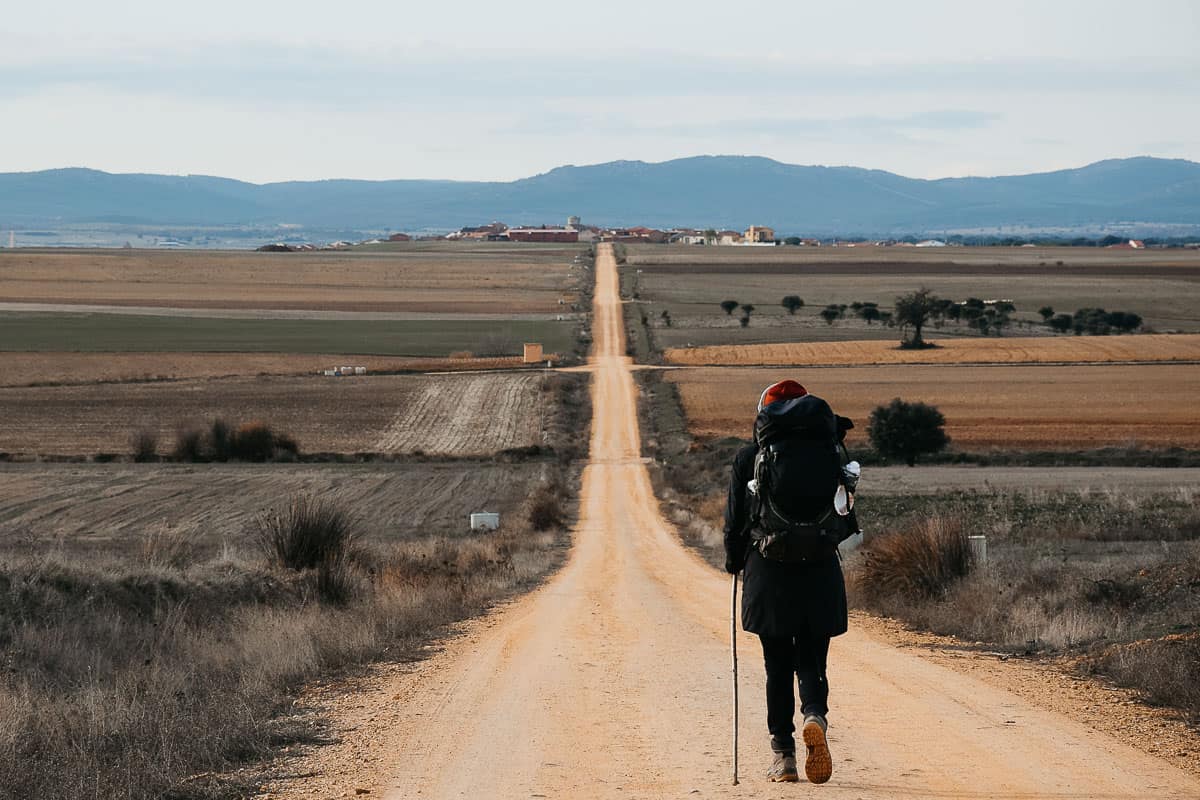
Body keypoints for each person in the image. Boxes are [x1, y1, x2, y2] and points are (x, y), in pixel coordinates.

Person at [723, 379, 855, 784]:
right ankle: (814, 713)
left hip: (770, 570)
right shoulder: (830, 451)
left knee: (776, 665)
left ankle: (784, 756)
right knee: (813, 656)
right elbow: (846, 517)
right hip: (819, 567)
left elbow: (734, 523)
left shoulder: (750, 457)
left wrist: (734, 563)